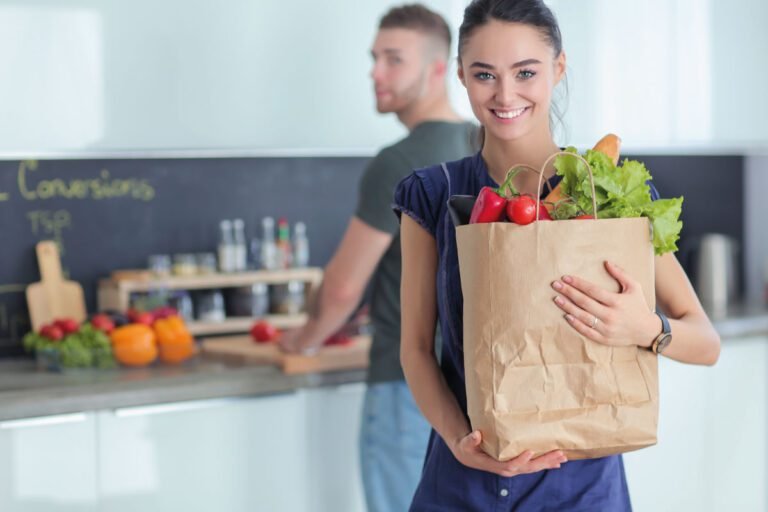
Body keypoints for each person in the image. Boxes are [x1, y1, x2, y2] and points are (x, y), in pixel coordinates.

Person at [393, 0, 722, 510]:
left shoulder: (610, 194)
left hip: (581, 492)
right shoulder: (433, 193)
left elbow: (706, 342)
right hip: (459, 486)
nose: (505, 95)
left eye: (526, 72)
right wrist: (462, 441)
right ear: (461, 75)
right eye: (484, 74)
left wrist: (646, 329)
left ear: (558, 69)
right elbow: (415, 349)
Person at [278, 4, 476, 511]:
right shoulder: (482, 145)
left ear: (437, 69)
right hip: (475, 390)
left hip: (406, 386)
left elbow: (343, 287)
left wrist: (301, 341)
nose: (376, 72)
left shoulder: (399, 161)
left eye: (394, 60)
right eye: (375, 58)